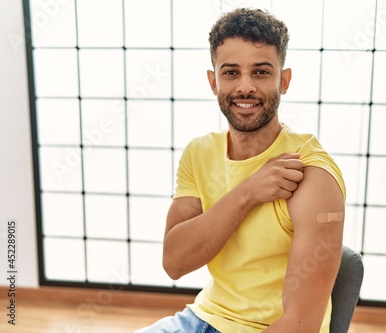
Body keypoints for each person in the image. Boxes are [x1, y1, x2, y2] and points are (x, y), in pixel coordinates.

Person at [135, 8, 346, 333]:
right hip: (200, 319)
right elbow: (174, 264)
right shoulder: (199, 152)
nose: (244, 87)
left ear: (284, 80)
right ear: (213, 81)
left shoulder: (312, 174)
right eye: (231, 73)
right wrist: (248, 192)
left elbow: (300, 325)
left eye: (261, 72)